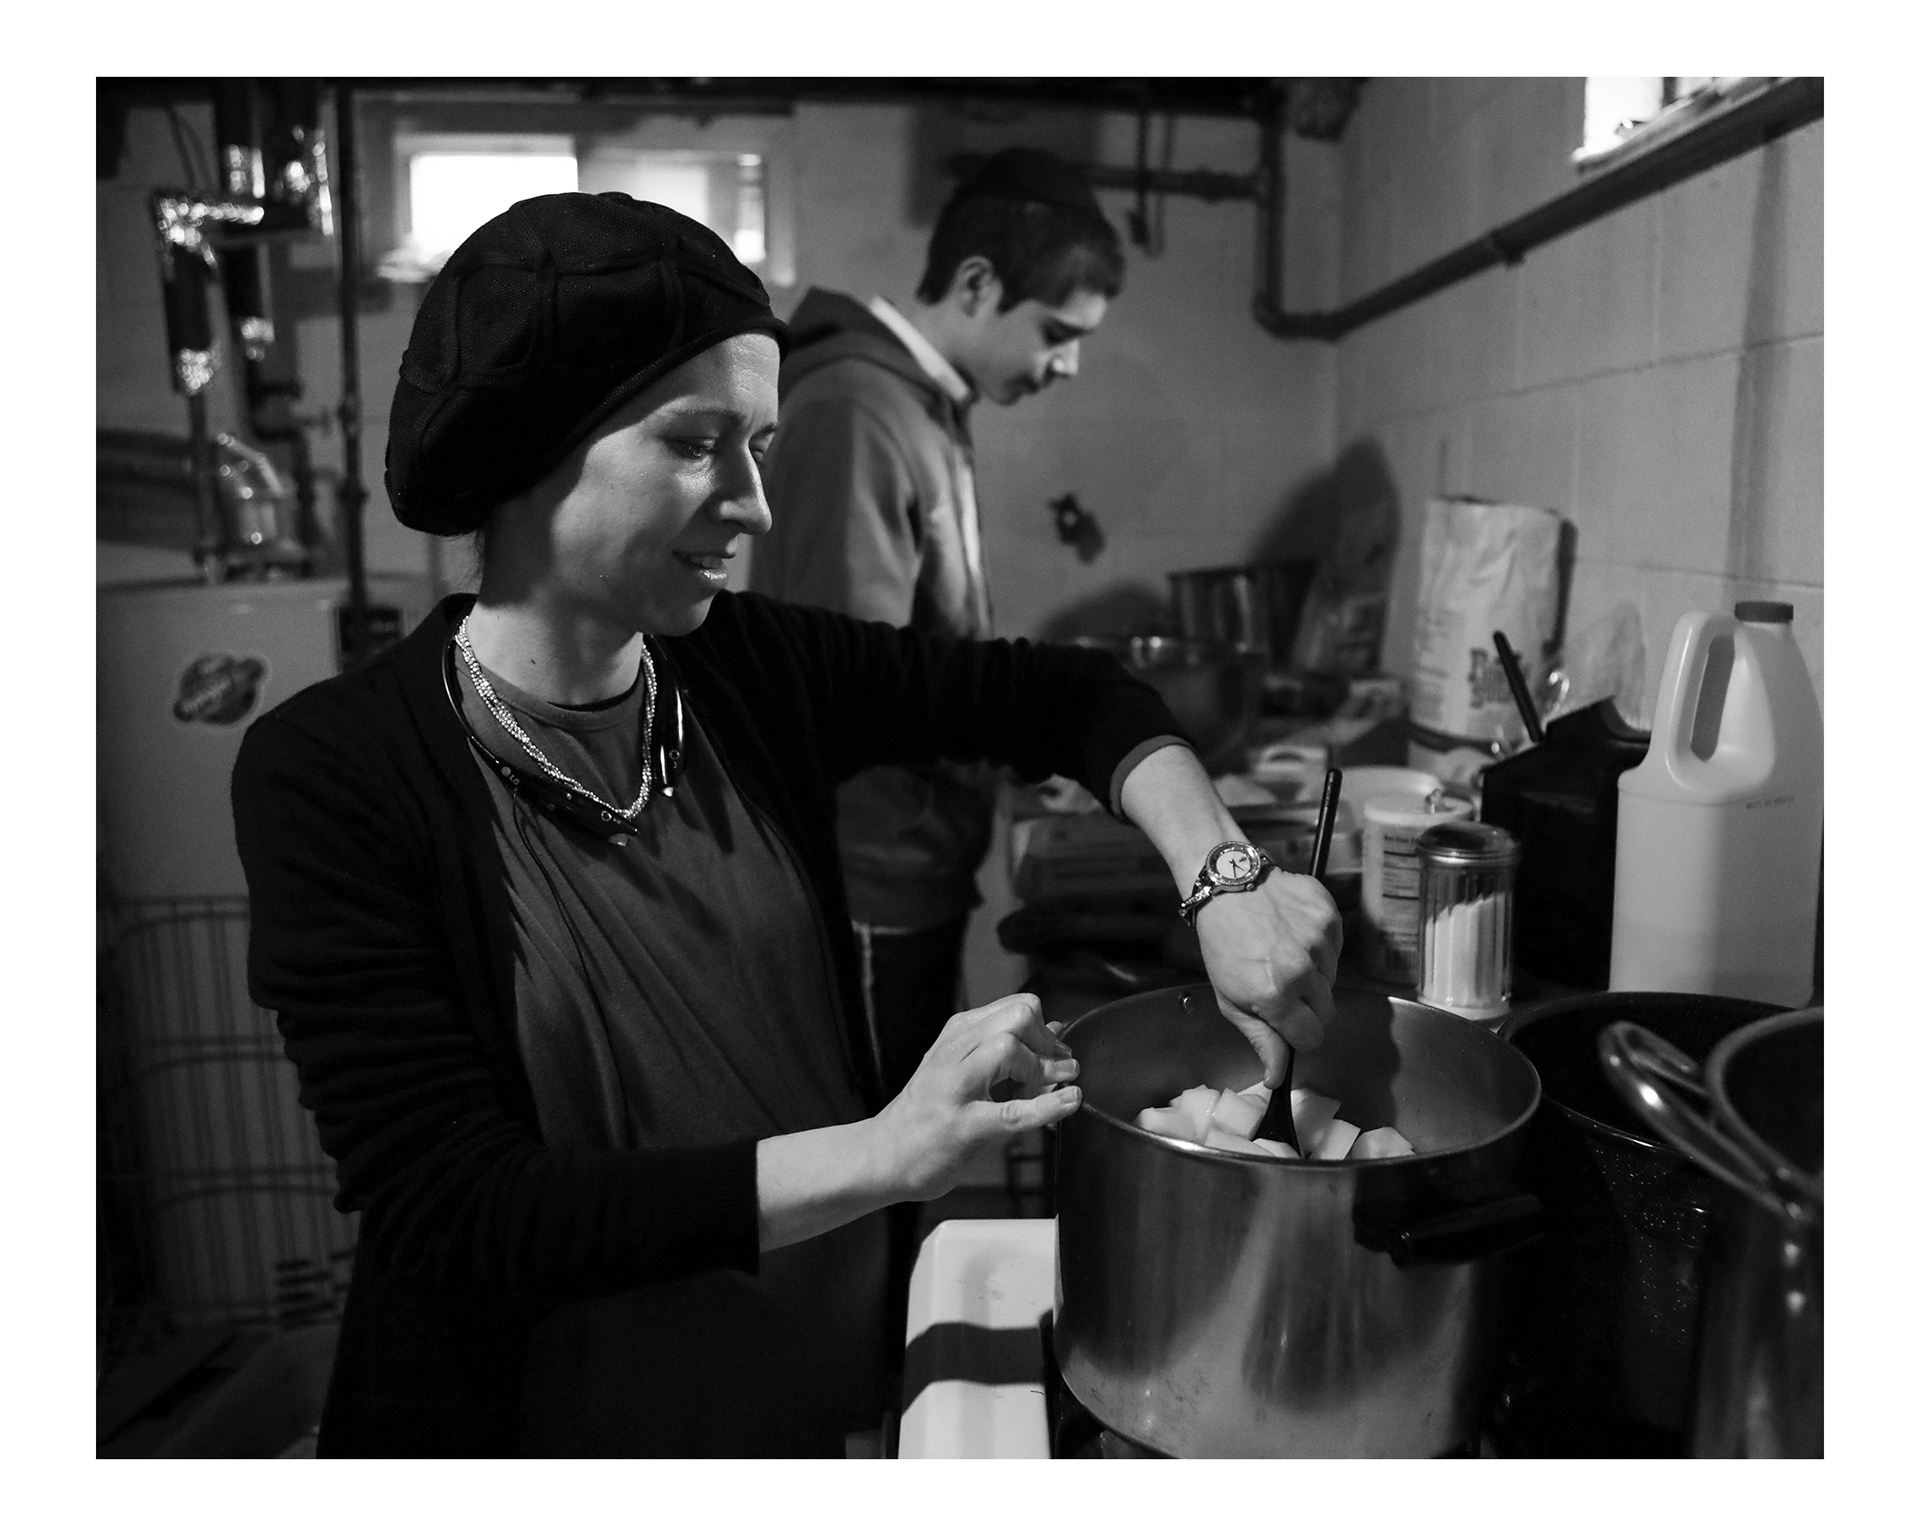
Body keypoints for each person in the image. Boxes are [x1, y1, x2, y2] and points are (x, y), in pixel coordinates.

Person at [230, 192, 1340, 1457]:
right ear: (529, 453)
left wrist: (1227, 878)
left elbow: (1062, 697)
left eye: (758, 444)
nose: (754, 503)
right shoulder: (335, 772)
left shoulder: (748, 672)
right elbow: (457, 1207)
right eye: (699, 445)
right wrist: (885, 1155)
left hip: (806, 1406)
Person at [750, 146, 1123, 1098]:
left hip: (913, 860)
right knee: (878, 1175)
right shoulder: (854, 407)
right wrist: (1019, 724)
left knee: (910, 1162)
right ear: (975, 283)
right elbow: (851, 678)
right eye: (1055, 331)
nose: (1070, 365)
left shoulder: (918, 408)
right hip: (868, 873)